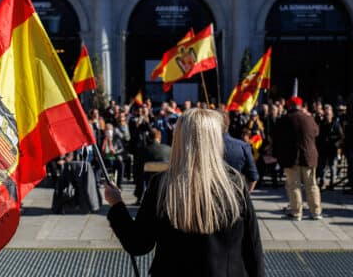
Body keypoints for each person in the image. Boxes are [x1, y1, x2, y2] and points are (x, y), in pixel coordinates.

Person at [104, 109, 264, 276]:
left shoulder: (163, 185)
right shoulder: (235, 184)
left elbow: (138, 243)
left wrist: (117, 204)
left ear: (179, 139)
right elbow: (253, 249)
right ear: (215, 140)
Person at [273, 96, 322, 220]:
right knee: (312, 185)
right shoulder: (309, 118)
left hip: (291, 158)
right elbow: (316, 132)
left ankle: (296, 213)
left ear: (289, 106)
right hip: (309, 157)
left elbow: (276, 136)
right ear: (301, 107)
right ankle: (316, 212)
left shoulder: (284, 120)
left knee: (293, 185)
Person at [222, 111, 259, 192]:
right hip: (236, 195)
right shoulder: (243, 146)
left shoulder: (203, 147)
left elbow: (253, 176)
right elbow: (253, 177)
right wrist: (245, 197)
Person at [316, 104, 344, 190]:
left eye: (329, 112)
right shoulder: (322, 123)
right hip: (323, 148)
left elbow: (341, 136)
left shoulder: (335, 124)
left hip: (332, 148)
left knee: (332, 166)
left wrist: (335, 143)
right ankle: (322, 182)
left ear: (332, 114)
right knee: (322, 166)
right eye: (326, 112)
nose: (327, 114)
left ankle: (332, 183)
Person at [101, 123, 127, 188]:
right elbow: (101, 149)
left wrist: (116, 152)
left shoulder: (116, 138)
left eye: (110, 129)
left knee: (121, 165)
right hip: (106, 158)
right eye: (107, 129)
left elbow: (122, 148)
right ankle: (111, 182)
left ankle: (119, 183)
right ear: (105, 131)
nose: (109, 131)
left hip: (115, 157)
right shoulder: (102, 139)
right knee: (110, 164)